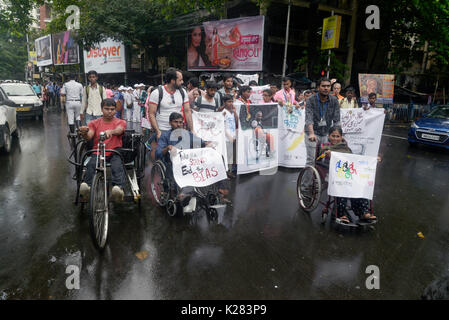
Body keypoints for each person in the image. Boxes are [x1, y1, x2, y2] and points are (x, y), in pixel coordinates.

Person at [156, 112, 229, 209]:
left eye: (181, 122)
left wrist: (208, 144)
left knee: (219, 158)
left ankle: (221, 190)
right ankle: (183, 194)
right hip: (172, 163)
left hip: (190, 162)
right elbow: (158, 153)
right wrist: (168, 148)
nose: (179, 125)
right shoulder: (165, 136)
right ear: (170, 123)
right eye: (176, 122)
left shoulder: (187, 134)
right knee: (175, 166)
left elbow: (201, 142)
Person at [319, 126, 378, 223]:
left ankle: (363, 212)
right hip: (331, 173)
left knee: (359, 185)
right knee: (343, 186)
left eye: (337, 136)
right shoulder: (325, 147)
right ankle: (341, 214)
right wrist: (327, 154)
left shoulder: (346, 149)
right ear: (329, 136)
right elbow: (321, 156)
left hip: (346, 173)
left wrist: (374, 160)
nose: (335, 138)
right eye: (333, 136)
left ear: (342, 137)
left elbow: (353, 160)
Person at [78, 98, 127, 202]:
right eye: (107, 109)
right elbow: (89, 136)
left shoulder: (121, 122)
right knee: (91, 164)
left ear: (115, 110)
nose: (110, 111)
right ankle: (88, 187)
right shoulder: (94, 123)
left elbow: (120, 130)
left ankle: (118, 189)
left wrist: (111, 131)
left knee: (117, 166)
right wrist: (84, 133)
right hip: (98, 151)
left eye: (112, 109)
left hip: (115, 151)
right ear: (101, 109)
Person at [147, 68, 193, 140]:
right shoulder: (157, 93)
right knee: (159, 151)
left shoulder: (183, 92)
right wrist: (158, 132)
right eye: (180, 80)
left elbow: (187, 111)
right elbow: (151, 114)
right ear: (172, 81)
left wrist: (191, 129)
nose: (182, 82)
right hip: (162, 131)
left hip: (177, 131)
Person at [304, 77, 340, 167]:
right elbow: (309, 118)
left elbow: (336, 120)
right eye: (323, 86)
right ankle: (306, 181)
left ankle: (321, 180)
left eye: (328, 86)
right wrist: (311, 133)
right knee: (311, 161)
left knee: (324, 160)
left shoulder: (334, 100)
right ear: (318, 87)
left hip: (326, 134)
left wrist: (339, 135)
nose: (326, 88)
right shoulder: (311, 100)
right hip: (312, 133)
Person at [222, 94, 238, 177]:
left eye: (232, 101)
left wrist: (235, 113)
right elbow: (222, 127)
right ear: (224, 103)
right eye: (229, 101)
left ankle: (230, 171)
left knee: (231, 156)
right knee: (227, 156)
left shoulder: (232, 112)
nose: (231, 103)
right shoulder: (223, 112)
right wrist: (229, 137)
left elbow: (237, 122)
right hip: (227, 138)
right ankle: (226, 172)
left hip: (233, 136)